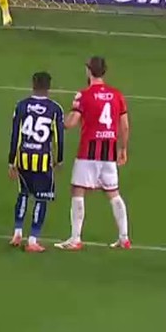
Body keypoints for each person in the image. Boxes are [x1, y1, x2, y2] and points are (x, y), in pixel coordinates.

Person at [57, 56, 131, 251]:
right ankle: (124, 238)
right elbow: (124, 125)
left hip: (88, 152)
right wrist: (123, 148)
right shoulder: (117, 95)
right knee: (113, 193)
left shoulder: (83, 95)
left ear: (88, 70)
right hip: (109, 151)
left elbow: (71, 122)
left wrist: (58, 123)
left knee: (78, 190)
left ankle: (75, 238)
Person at [8, 72, 65, 252]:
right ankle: (32, 240)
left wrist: (11, 161)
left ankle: (17, 232)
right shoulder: (55, 109)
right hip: (43, 160)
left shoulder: (21, 105)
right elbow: (59, 138)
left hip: (24, 158)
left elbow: (16, 134)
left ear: (33, 84)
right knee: (41, 198)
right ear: (49, 86)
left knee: (23, 193)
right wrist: (59, 159)